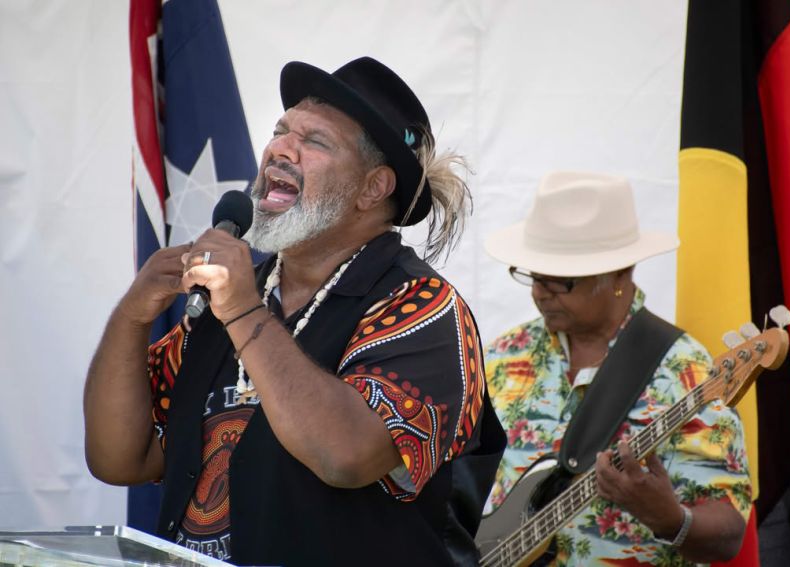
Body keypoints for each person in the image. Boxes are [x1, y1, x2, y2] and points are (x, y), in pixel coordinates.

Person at [84, 57, 505, 566]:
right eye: (281, 132)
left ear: (372, 188)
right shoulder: (232, 296)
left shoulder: (423, 308)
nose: (280, 149)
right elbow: (120, 458)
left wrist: (240, 308)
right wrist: (132, 316)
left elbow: (345, 455)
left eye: (315, 141)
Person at [480, 171, 751, 566]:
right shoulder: (503, 356)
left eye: (560, 280)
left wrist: (669, 517)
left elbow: (727, 536)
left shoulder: (685, 372)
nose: (539, 291)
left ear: (620, 274)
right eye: (534, 274)